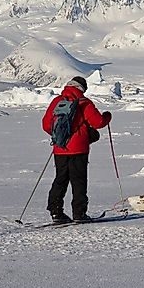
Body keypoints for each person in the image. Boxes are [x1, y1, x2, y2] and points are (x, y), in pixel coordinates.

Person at [41, 76, 112, 223]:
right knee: (78, 181)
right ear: (82, 88)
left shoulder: (57, 102)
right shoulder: (84, 103)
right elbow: (98, 122)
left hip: (60, 148)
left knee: (60, 179)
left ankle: (56, 212)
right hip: (79, 149)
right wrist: (107, 117)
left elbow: (46, 125)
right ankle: (79, 213)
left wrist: (60, 136)